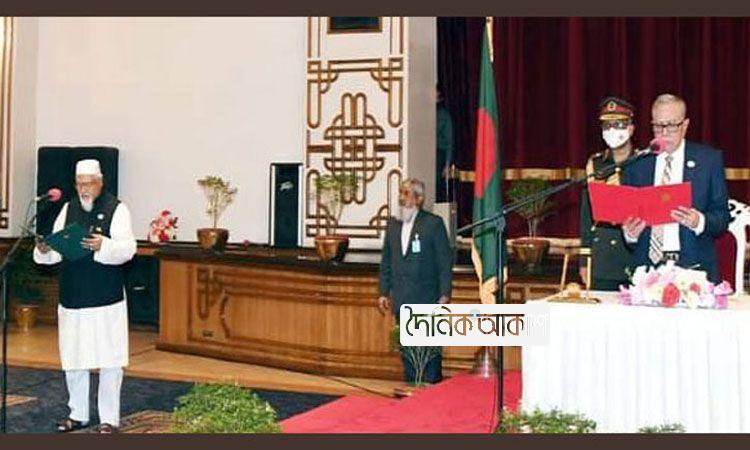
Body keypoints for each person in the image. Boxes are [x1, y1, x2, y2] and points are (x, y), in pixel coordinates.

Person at [34, 159, 137, 433]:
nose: (84, 189)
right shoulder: (68, 209)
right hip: (73, 296)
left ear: (100, 182)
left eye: (89, 183)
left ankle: (109, 419)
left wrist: (104, 245)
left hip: (105, 298)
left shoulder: (117, 209)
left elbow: (128, 249)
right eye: (79, 184)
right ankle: (78, 414)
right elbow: (58, 247)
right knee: (74, 358)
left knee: (110, 360)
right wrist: (45, 250)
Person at [622, 94, 729, 283]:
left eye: (671, 125)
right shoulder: (637, 164)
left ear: (685, 125)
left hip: (694, 268)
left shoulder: (708, 161)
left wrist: (699, 221)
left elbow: (722, 218)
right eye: (658, 126)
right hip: (647, 270)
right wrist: (630, 233)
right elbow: (628, 221)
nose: (664, 133)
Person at [378, 178, 453, 384]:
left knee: (429, 354)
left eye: (407, 193)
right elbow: (386, 261)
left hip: (427, 299)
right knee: (408, 353)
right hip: (402, 299)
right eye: (401, 193)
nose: (402, 198)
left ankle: (433, 392)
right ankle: (411, 391)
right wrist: (383, 292)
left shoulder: (433, 224)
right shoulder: (393, 225)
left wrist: (445, 293)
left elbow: (444, 262)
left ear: (419, 199)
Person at [579, 96, 636, 290]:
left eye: (618, 125)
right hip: (603, 257)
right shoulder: (596, 164)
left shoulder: (642, 162)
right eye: (607, 126)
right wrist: (584, 258)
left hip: (633, 255)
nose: (612, 131)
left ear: (630, 129)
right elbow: (587, 214)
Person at [436, 86, 454, 203]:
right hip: (425, 154)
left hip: (439, 155)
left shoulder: (443, 114)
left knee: (437, 189)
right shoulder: (422, 111)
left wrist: (447, 164)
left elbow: (449, 141)